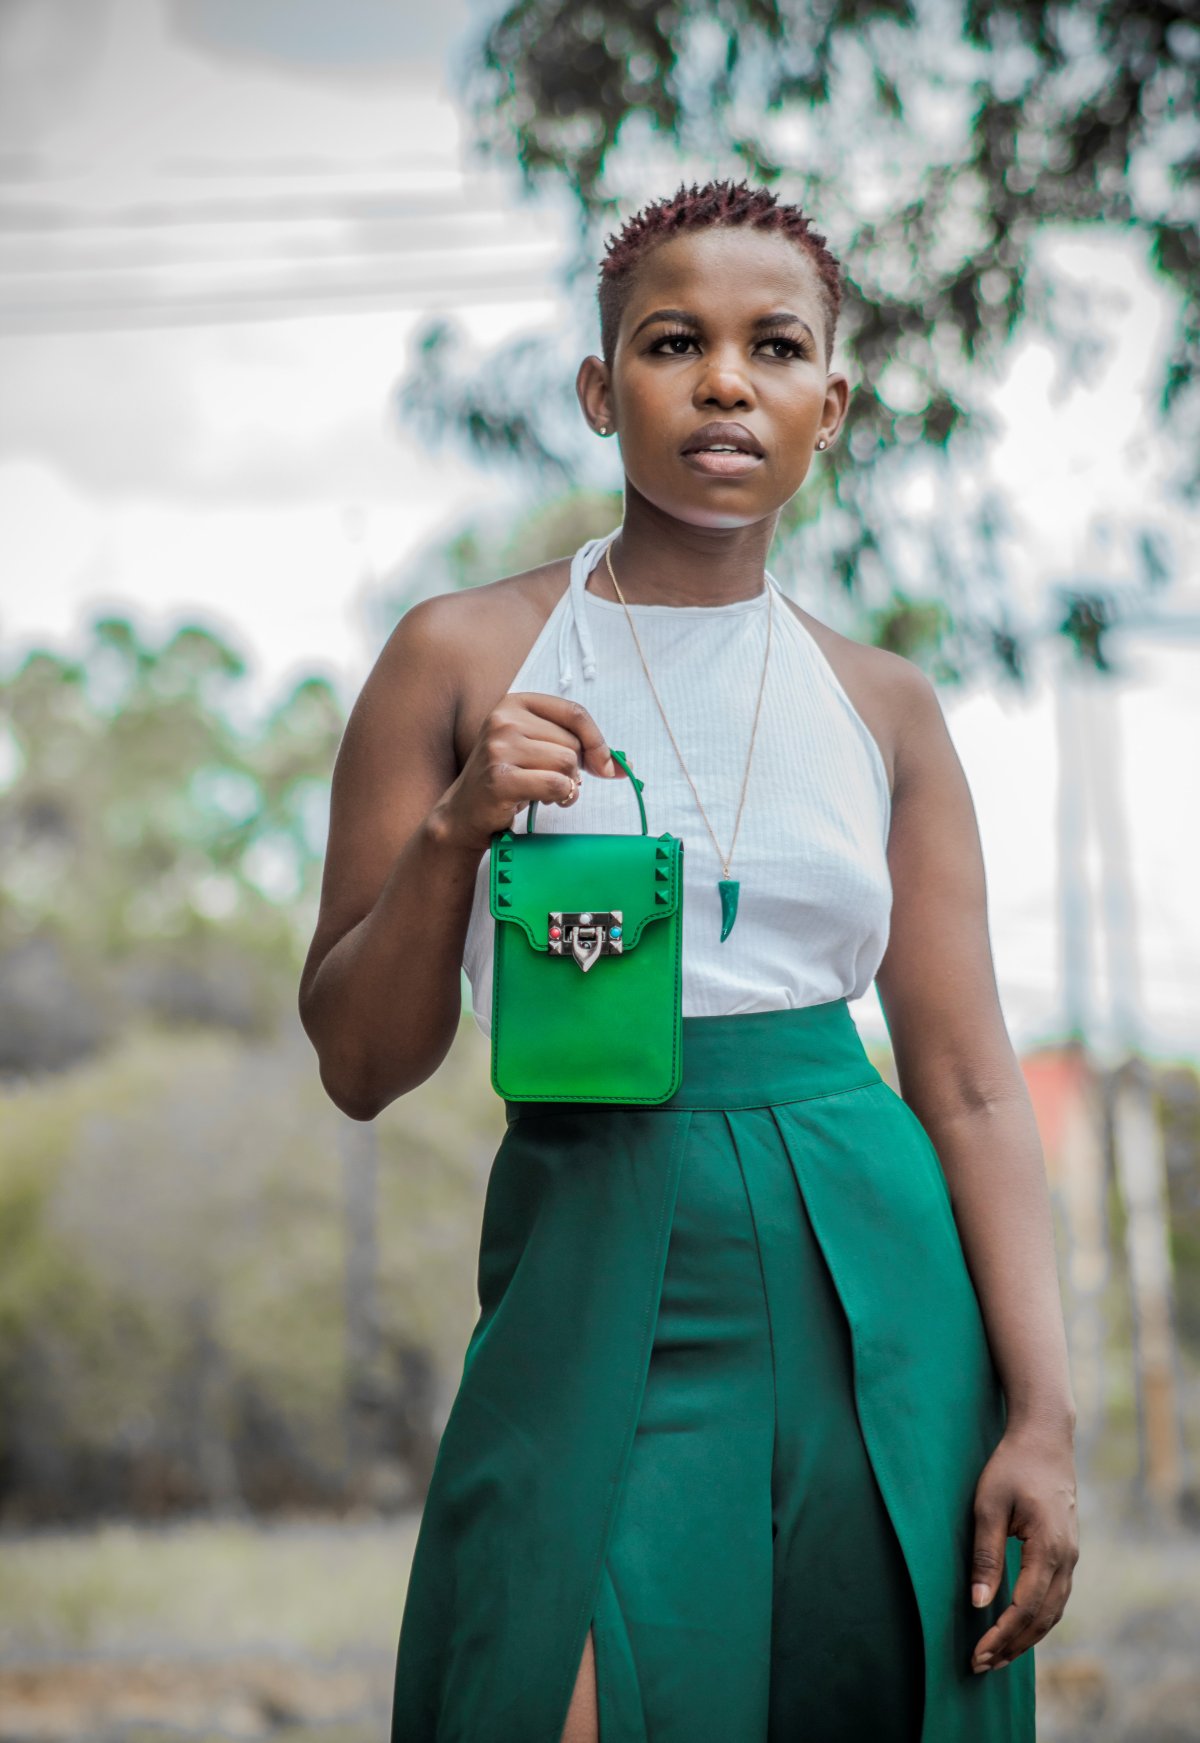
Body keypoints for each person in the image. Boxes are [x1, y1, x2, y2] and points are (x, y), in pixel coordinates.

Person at [299, 177, 1078, 1742]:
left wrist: (1046, 1417)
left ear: (828, 403)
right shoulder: (461, 658)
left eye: (774, 346)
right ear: (603, 390)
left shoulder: (885, 706)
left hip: (875, 1266)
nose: (726, 380)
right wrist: (459, 833)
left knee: (877, 1695)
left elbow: (971, 1083)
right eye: (674, 342)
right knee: (535, 1680)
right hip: (594, 1246)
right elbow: (364, 1066)